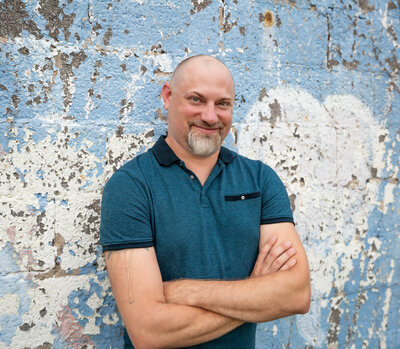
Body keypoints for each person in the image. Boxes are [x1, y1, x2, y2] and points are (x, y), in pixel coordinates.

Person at [100, 55, 311, 349]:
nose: (211, 117)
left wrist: (187, 291)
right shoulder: (131, 186)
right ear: (167, 97)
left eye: (222, 104)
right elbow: (148, 331)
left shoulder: (260, 180)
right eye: (197, 100)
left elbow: (297, 295)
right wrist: (255, 295)